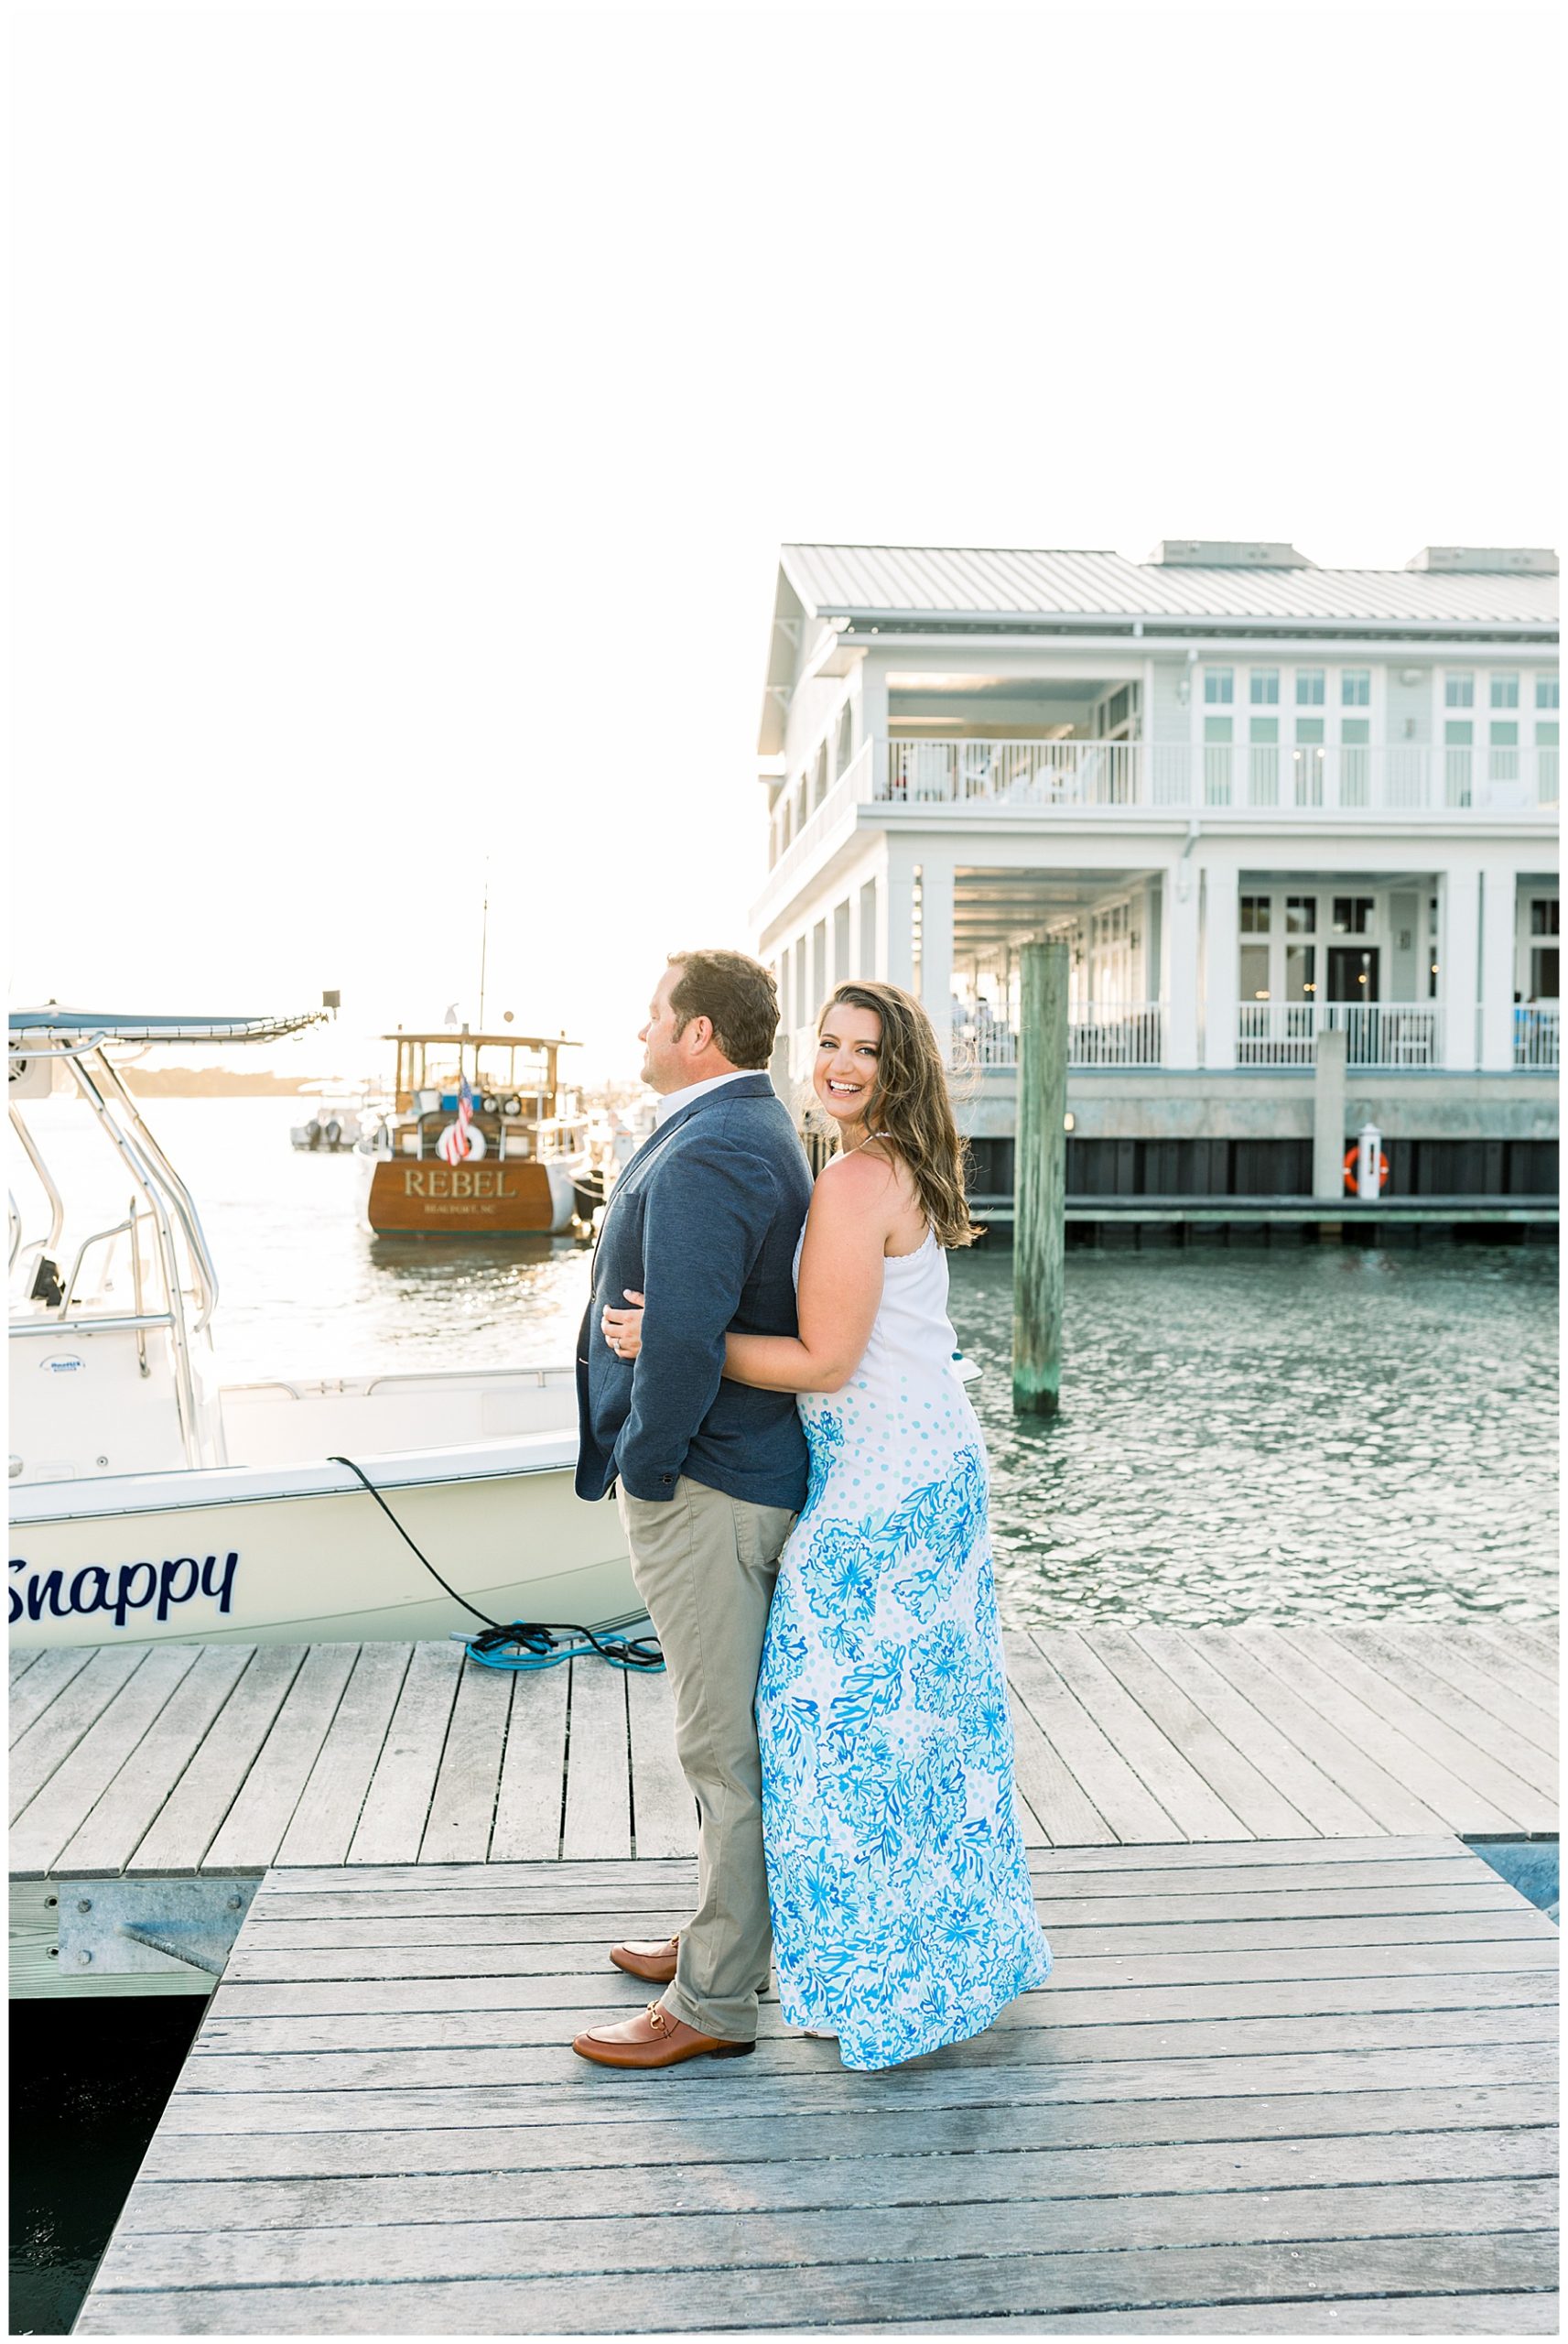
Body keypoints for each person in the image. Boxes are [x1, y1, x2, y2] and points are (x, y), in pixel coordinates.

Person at [602, 980, 1052, 2070]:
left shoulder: (853, 1178)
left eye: (868, 1050)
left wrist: (676, 1337)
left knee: (822, 1726)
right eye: (832, 1042)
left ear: (902, 1069)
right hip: (917, 1464)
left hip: (884, 1490)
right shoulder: (873, 1158)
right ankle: (785, 1938)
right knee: (923, 1731)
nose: (842, 1063)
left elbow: (826, 1362)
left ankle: (832, 1970)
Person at [571, 950, 814, 2071]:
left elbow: (680, 1333)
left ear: (701, 1033)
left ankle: (716, 2001)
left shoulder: (718, 1143)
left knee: (722, 1746)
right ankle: (721, 1933)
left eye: (654, 1014)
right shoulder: (730, 1123)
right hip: (718, 1477)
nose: (640, 1030)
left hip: (708, 1485)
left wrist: (650, 1472)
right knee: (721, 1736)